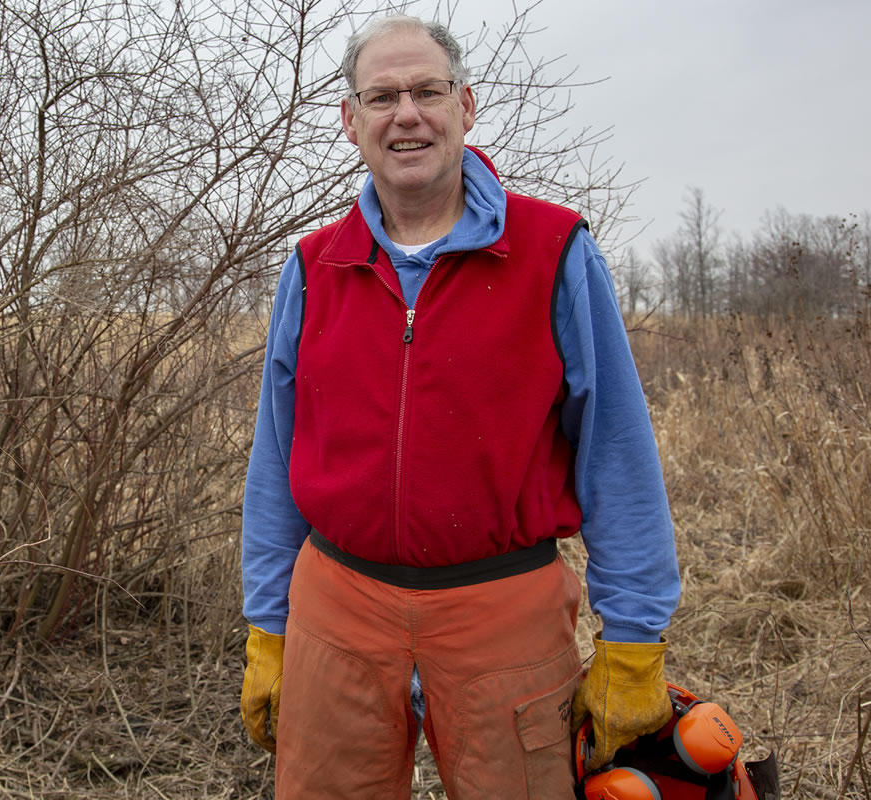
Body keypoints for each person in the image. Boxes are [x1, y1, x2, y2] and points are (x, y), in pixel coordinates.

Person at [237, 14, 681, 799]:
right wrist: (269, 626)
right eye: (381, 96)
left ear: (466, 106)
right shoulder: (312, 268)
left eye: (427, 91)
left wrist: (635, 639)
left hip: (503, 613)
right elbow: (276, 457)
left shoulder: (554, 251)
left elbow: (616, 451)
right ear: (351, 120)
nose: (406, 113)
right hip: (337, 609)